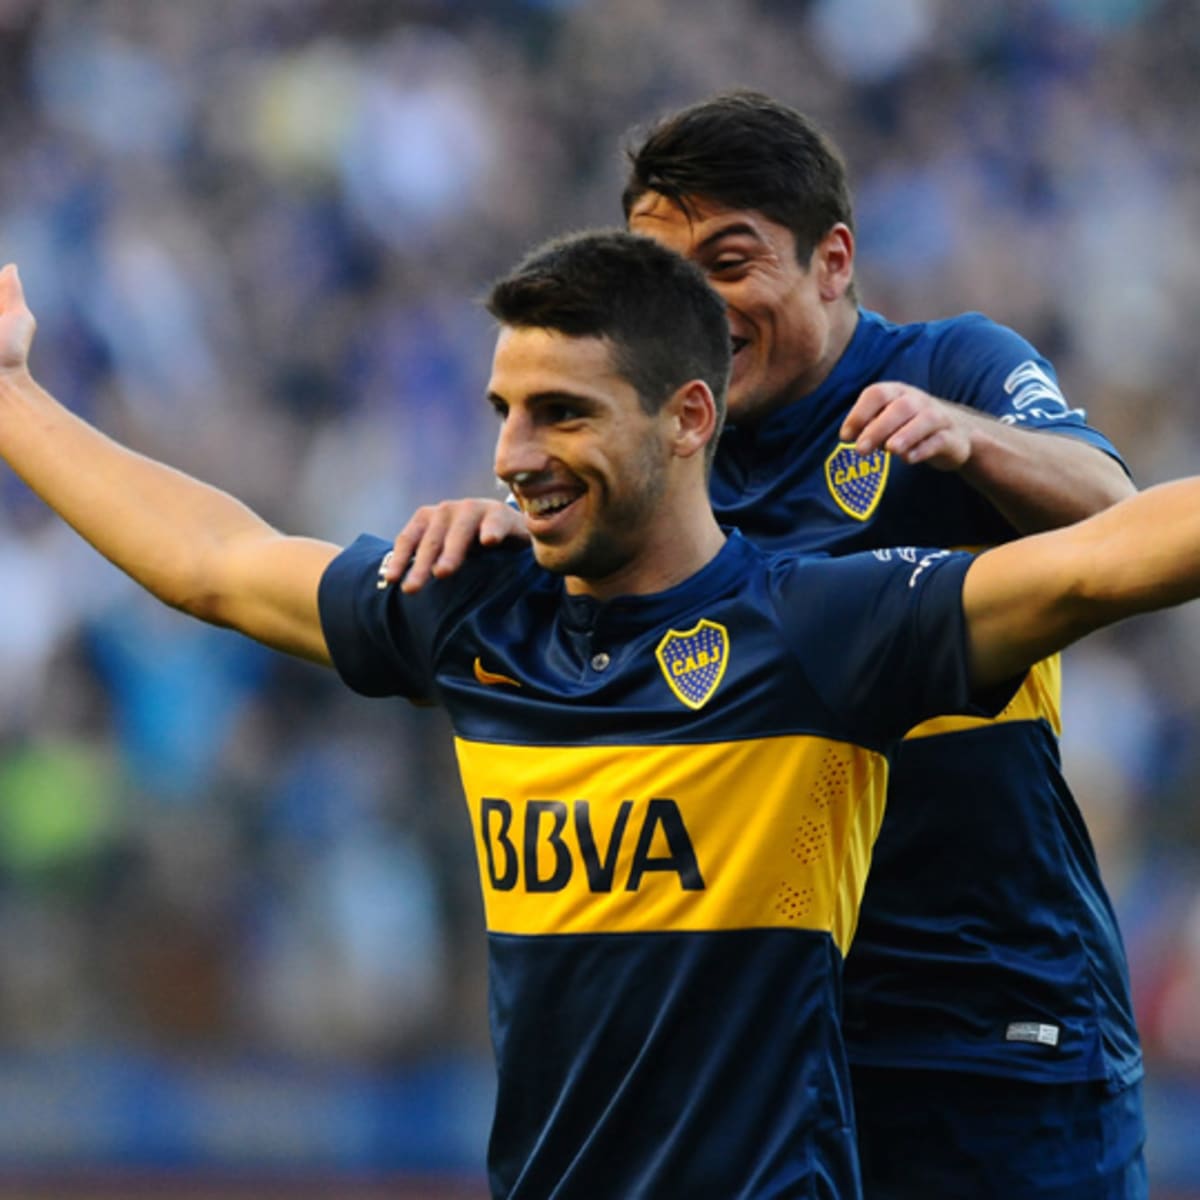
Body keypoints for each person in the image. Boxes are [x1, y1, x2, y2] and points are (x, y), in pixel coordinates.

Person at [0, 223, 1194, 1197]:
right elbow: (216, 561)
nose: (515, 453)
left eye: (563, 412)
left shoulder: (817, 631)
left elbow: (1101, 562)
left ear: (686, 418)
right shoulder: (473, 614)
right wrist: (12, 399)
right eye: (505, 409)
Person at [385, 92, 1146, 1199]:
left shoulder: (953, 363)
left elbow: (1116, 521)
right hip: (785, 1049)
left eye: (730, 262)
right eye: (663, 271)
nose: (695, 302)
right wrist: (507, 522)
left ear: (832, 260)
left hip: (997, 1022)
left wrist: (979, 445)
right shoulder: (660, 451)